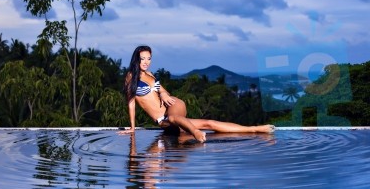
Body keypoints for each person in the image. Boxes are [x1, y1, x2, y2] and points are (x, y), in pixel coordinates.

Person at [118, 45, 275, 142]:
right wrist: (132, 128)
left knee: (175, 119)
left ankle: (196, 133)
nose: (146, 62)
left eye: (149, 58)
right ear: (136, 59)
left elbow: (160, 89)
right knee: (208, 123)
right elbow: (131, 102)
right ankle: (255, 129)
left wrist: (165, 94)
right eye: (142, 59)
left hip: (173, 108)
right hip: (164, 121)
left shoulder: (150, 75)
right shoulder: (130, 77)